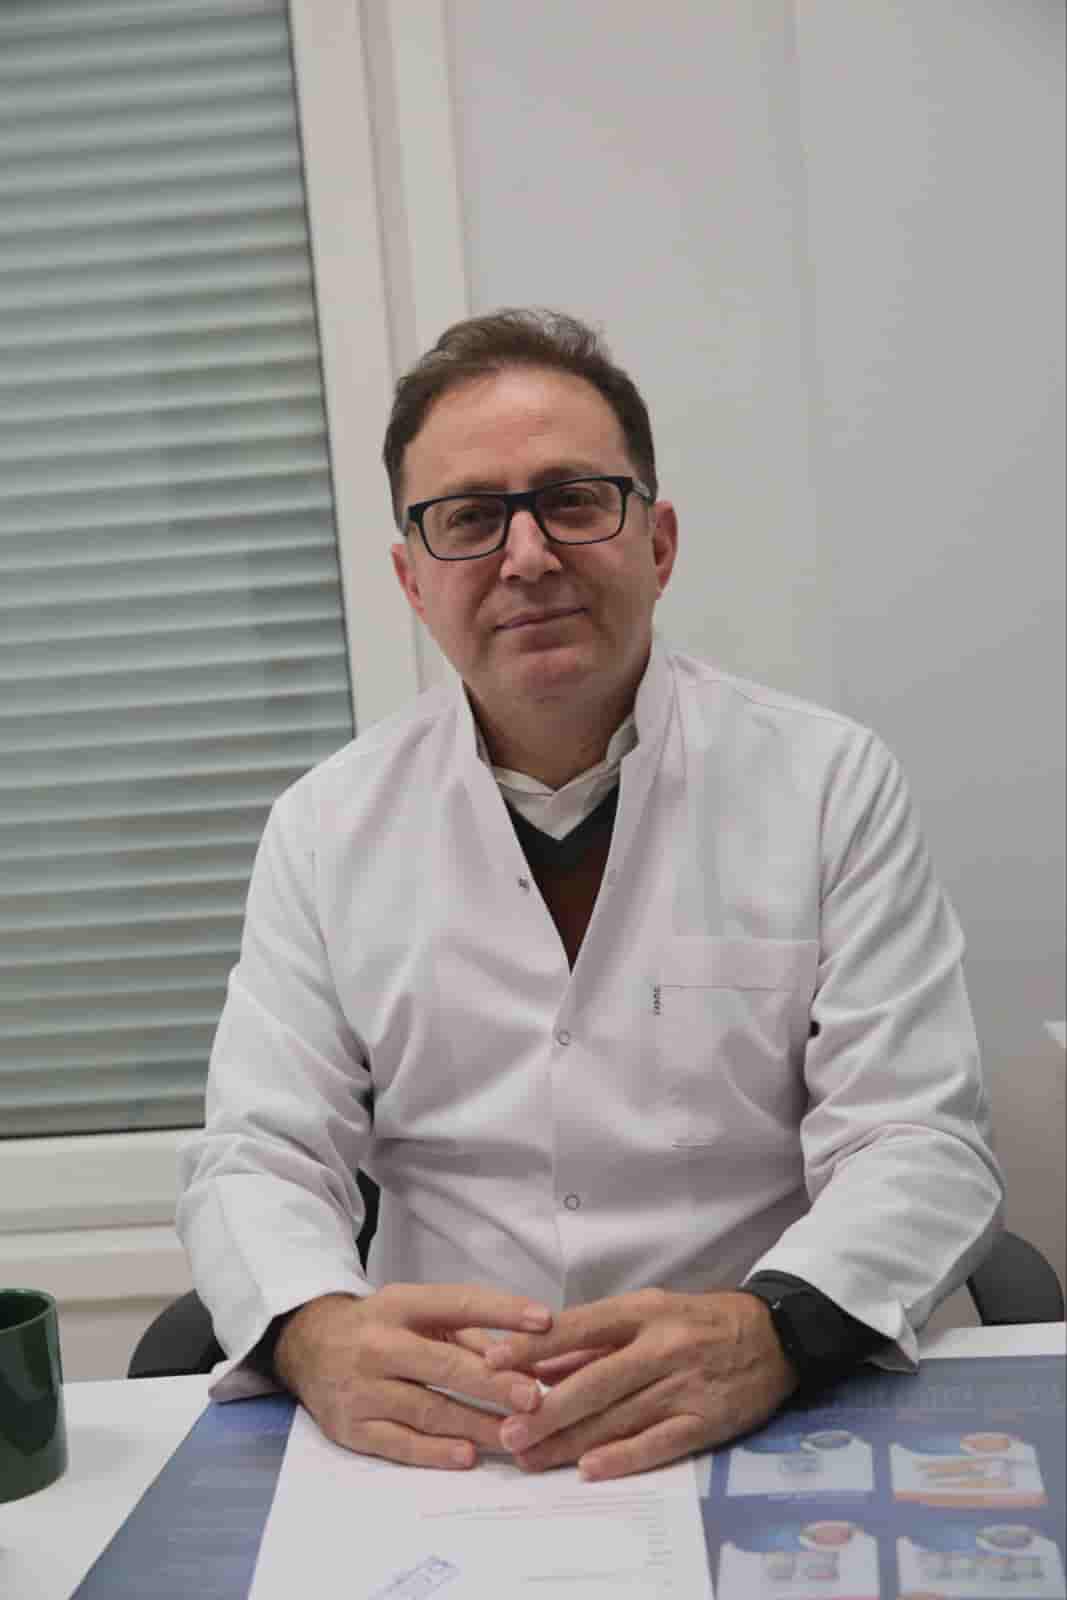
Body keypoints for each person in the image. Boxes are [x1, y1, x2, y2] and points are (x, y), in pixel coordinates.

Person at [176, 308, 1003, 1483]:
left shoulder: (825, 785)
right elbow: (258, 1153)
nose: (526, 557)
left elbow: (916, 1138)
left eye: (572, 500)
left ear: (656, 542)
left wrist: (772, 1330)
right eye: (470, 518)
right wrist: (314, 1330)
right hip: (449, 1442)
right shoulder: (325, 828)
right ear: (412, 580)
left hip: (757, 1410)